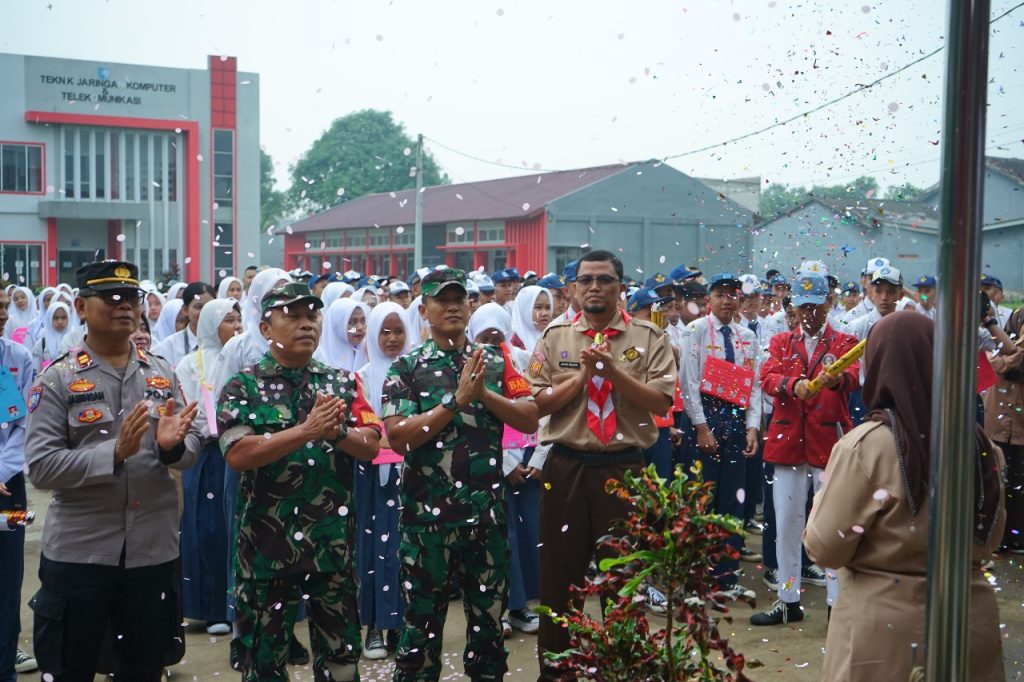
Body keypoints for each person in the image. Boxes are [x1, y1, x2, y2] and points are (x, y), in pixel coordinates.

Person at [805, 312, 1006, 681]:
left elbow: (825, 547)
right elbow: (991, 538)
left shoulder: (865, 448)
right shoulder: (982, 447)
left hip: (884, 639)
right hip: (966, 626)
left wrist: (822, 500)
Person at [25, 260, 201, 680]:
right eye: (111, 297)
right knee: (72, 666)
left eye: (132, 298)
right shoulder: (58, 380)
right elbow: (42, 468)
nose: (125, 306)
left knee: (143, 668)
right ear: (82, 308)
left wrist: (173, 449)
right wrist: (114, 453)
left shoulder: (161, 373)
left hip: (153, 552)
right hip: (83, 554)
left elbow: (193, 444)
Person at [217, 282, 382, 681]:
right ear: (265, 328)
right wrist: (304, 431)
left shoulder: (342, 382)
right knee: (265, 661)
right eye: (292, 315)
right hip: (266, 550)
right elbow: (237, 454)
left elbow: (373, 444)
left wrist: (338, 433)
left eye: (312, 316)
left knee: (341, 661)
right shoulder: (244, 386)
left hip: (331, 548)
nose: (305, 324)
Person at [381, 268, 538, 682]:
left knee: (489, 631)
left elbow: (529, 417)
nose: (452, 306)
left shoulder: (495, 361)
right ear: (425, 310)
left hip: (485, 520)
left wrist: (484, 392)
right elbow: (398, 438)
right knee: (420, 632)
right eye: (441, 300)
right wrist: (455, 401)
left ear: (471, 306)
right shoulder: (407, 367)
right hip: (427, 523)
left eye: (459, 299)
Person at [527, 250, 676, 680]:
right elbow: (536, 401)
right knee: (559, 580)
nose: (595, 287)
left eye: (605, 280)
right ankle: (558, 672)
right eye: (586, 279)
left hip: (624, 469)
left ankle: (624, 670)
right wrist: (579, 380)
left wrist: (613, 374)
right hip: (566, 467)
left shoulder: (648, 337)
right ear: (572, 288)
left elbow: (662, 402)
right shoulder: (555, 337)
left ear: (620, 288)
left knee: (624, 580)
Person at [749, 273, 858, 626]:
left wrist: (836, 378)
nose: (810, 312)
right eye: (803, 305)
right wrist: (792, 385)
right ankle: (788, 598)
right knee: (787, 526)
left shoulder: (844, 341)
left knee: (831, 526)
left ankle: (835, 602)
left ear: (828, 303)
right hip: (787, 445)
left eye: (817, 305)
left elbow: (854, 376)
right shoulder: (780, 341)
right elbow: (766, 377)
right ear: (794, 306)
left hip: (829, 443)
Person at [680, 273, 763, 597]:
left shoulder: (747, 336)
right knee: (701, 500)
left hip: (736, 421)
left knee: (732, 502)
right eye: (721, 294)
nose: (727, 300)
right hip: (705, 417)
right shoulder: (696, 330)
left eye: (733, 294)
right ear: (708, 300)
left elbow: (753, 384)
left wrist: (752, 427)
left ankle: (725, 578)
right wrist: (701, 426)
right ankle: (696, 579)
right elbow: (688, 382)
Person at [175, 299, 241, 635]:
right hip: (205, 452)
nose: (235, 326)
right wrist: (214, 430)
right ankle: (208, 605)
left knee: (234, 528)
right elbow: (190, 407)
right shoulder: (190, 363)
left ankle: (231, 606)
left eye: (238, 319)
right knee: (206, 528)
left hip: (239, 451)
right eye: (228, 320)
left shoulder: (243, 357)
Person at [353, 302, 408, 660]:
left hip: (411, 477)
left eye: (398, 331)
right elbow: (365, 430)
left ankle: (401, 625)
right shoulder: (361, 377)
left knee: (404, 551)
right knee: (374, 550)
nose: (391, 338)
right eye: (384, 331)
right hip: (373, 477)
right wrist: (394, 435)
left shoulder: (414, 372)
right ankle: (373, 626)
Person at [0, 286, 37, 679]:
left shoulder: (16, 358)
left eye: (4, 306)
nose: (2, 314)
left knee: (8, 579)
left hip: (10, 487)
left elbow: (24, 427)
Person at [984, 307, 1024, 554]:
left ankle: (1016, 537)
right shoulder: (1014, 320)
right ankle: (997, 536)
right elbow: (1000, 359)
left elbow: (1009, 363)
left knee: (1019, 482)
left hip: (1019, 424)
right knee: (997, 481)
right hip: (999, 420)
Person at [152, 282, 216, 369]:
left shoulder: (224, 342)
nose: (205, 311)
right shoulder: (167, 348)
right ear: (185, 310)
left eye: (210, 306)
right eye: (198, 307)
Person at [316, 298, 369, 372]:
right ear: (337, 325)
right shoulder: (319, 357)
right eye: (353, 322)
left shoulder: (368, 352)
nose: (360, 327)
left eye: (363, 321)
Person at [31, 302, 71, 373]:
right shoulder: (41, 344)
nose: (60, 322)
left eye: (64, 317)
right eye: (56, 318)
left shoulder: (75, 340)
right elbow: (36, 370)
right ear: (49, 319)